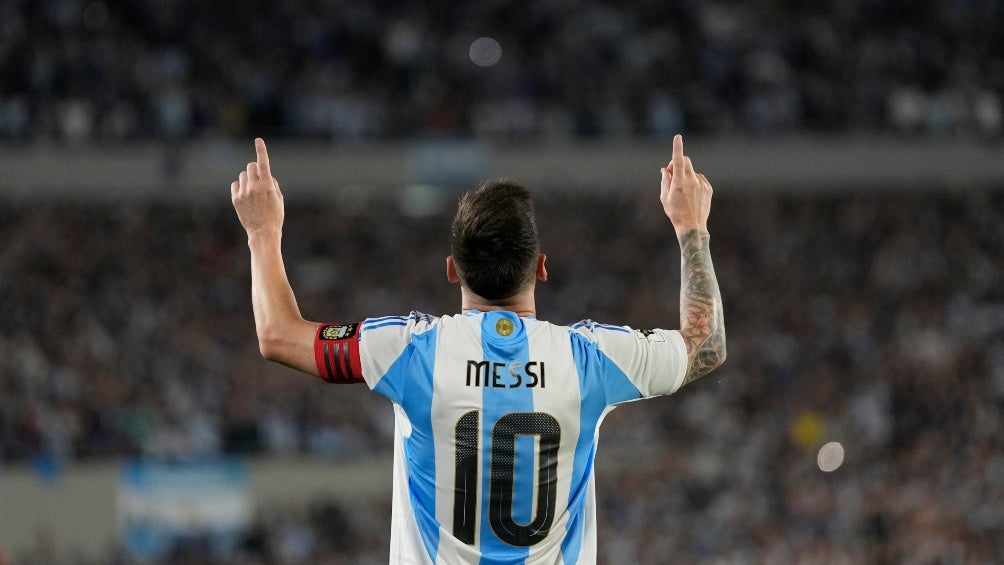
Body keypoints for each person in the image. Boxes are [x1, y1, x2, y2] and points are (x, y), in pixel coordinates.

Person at [230, 135, 726, 564]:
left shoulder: (410, 351)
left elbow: (278, 336)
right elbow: (705, 345)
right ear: (541, 267)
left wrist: (262, 232)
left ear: (452, 269)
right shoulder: (590, 359)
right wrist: (691, 228)